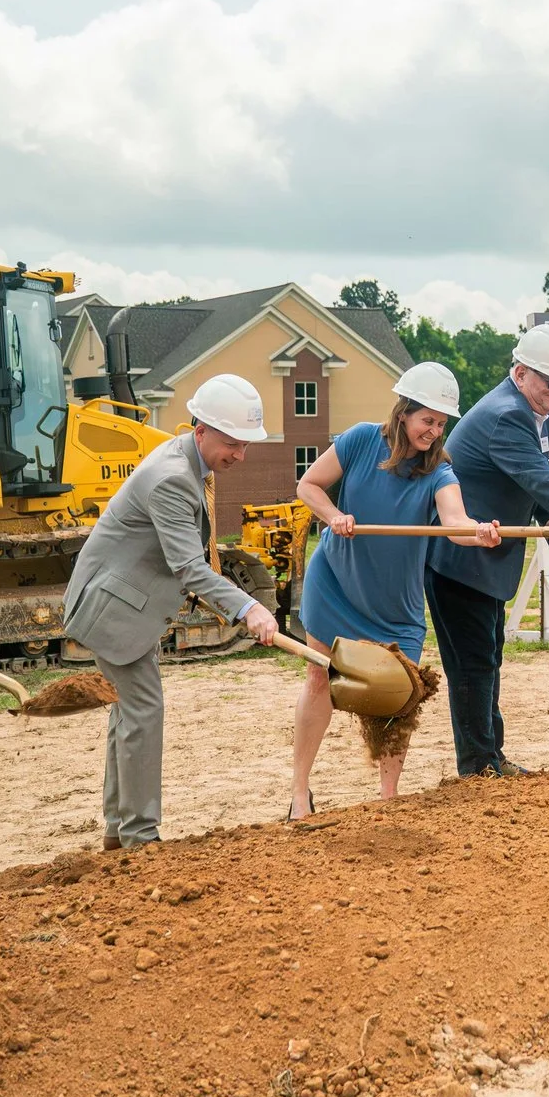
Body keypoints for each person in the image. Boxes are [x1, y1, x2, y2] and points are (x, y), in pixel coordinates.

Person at [61, 373, 281, 847]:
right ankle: (140, 837)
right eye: (231, 444)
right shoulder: (172, 480)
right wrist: (250, 609)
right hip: (113, 609)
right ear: (200, 430)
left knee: (129, 713)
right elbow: (189, 569)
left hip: (125, 605)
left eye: (245, 446)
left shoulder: (186, 461)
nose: (239, 456)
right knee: (143, 710)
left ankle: (121, 833)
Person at [290, 363, 501, 814]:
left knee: (399, 696)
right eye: (428, 420)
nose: (435, 431)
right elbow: (308, 485)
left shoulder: (439, 469)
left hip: (395, 601)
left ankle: (388, 799)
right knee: (318, 678)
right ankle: (299, 794)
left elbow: (456, 524)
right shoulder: (360, 440)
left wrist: (479, 532)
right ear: (403, 412)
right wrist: (333, 517)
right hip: (336, 581)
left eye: (442, 423)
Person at [429, 324, 549, 776]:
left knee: (488, 657)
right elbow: (540, 479)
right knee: (473, 664)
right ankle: (478, 765)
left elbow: (529, 477)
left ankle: (490, 757)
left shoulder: (535, 411)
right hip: (461, 558)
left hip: (485, 557)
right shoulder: (508, 414)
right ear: (521, 372)